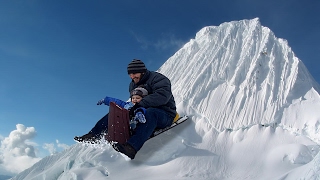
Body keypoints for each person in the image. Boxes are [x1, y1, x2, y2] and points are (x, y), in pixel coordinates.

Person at [76, 59, 177, 159]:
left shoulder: (158, 79)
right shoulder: (132, 84)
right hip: (141, 111)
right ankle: (94, 134)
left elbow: (163, 96)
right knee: (117, 112)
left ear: (142, 71)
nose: (132, 77)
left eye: (134, 73)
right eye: (130, 74)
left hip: (164, 113)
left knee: (151, 113)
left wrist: (140, 105)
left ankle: (131, 147)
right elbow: (133, 102)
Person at [74, 86, 149, 143]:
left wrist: (139, 113)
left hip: (131, 130)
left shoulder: (142, 107)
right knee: (108, 117)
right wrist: (106, 100)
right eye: (133, 98)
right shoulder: (127, 105)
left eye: (138, 98)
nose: (135, 100)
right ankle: (94, 135)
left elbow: (141, 110)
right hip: (121, 125)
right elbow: (117, 101)